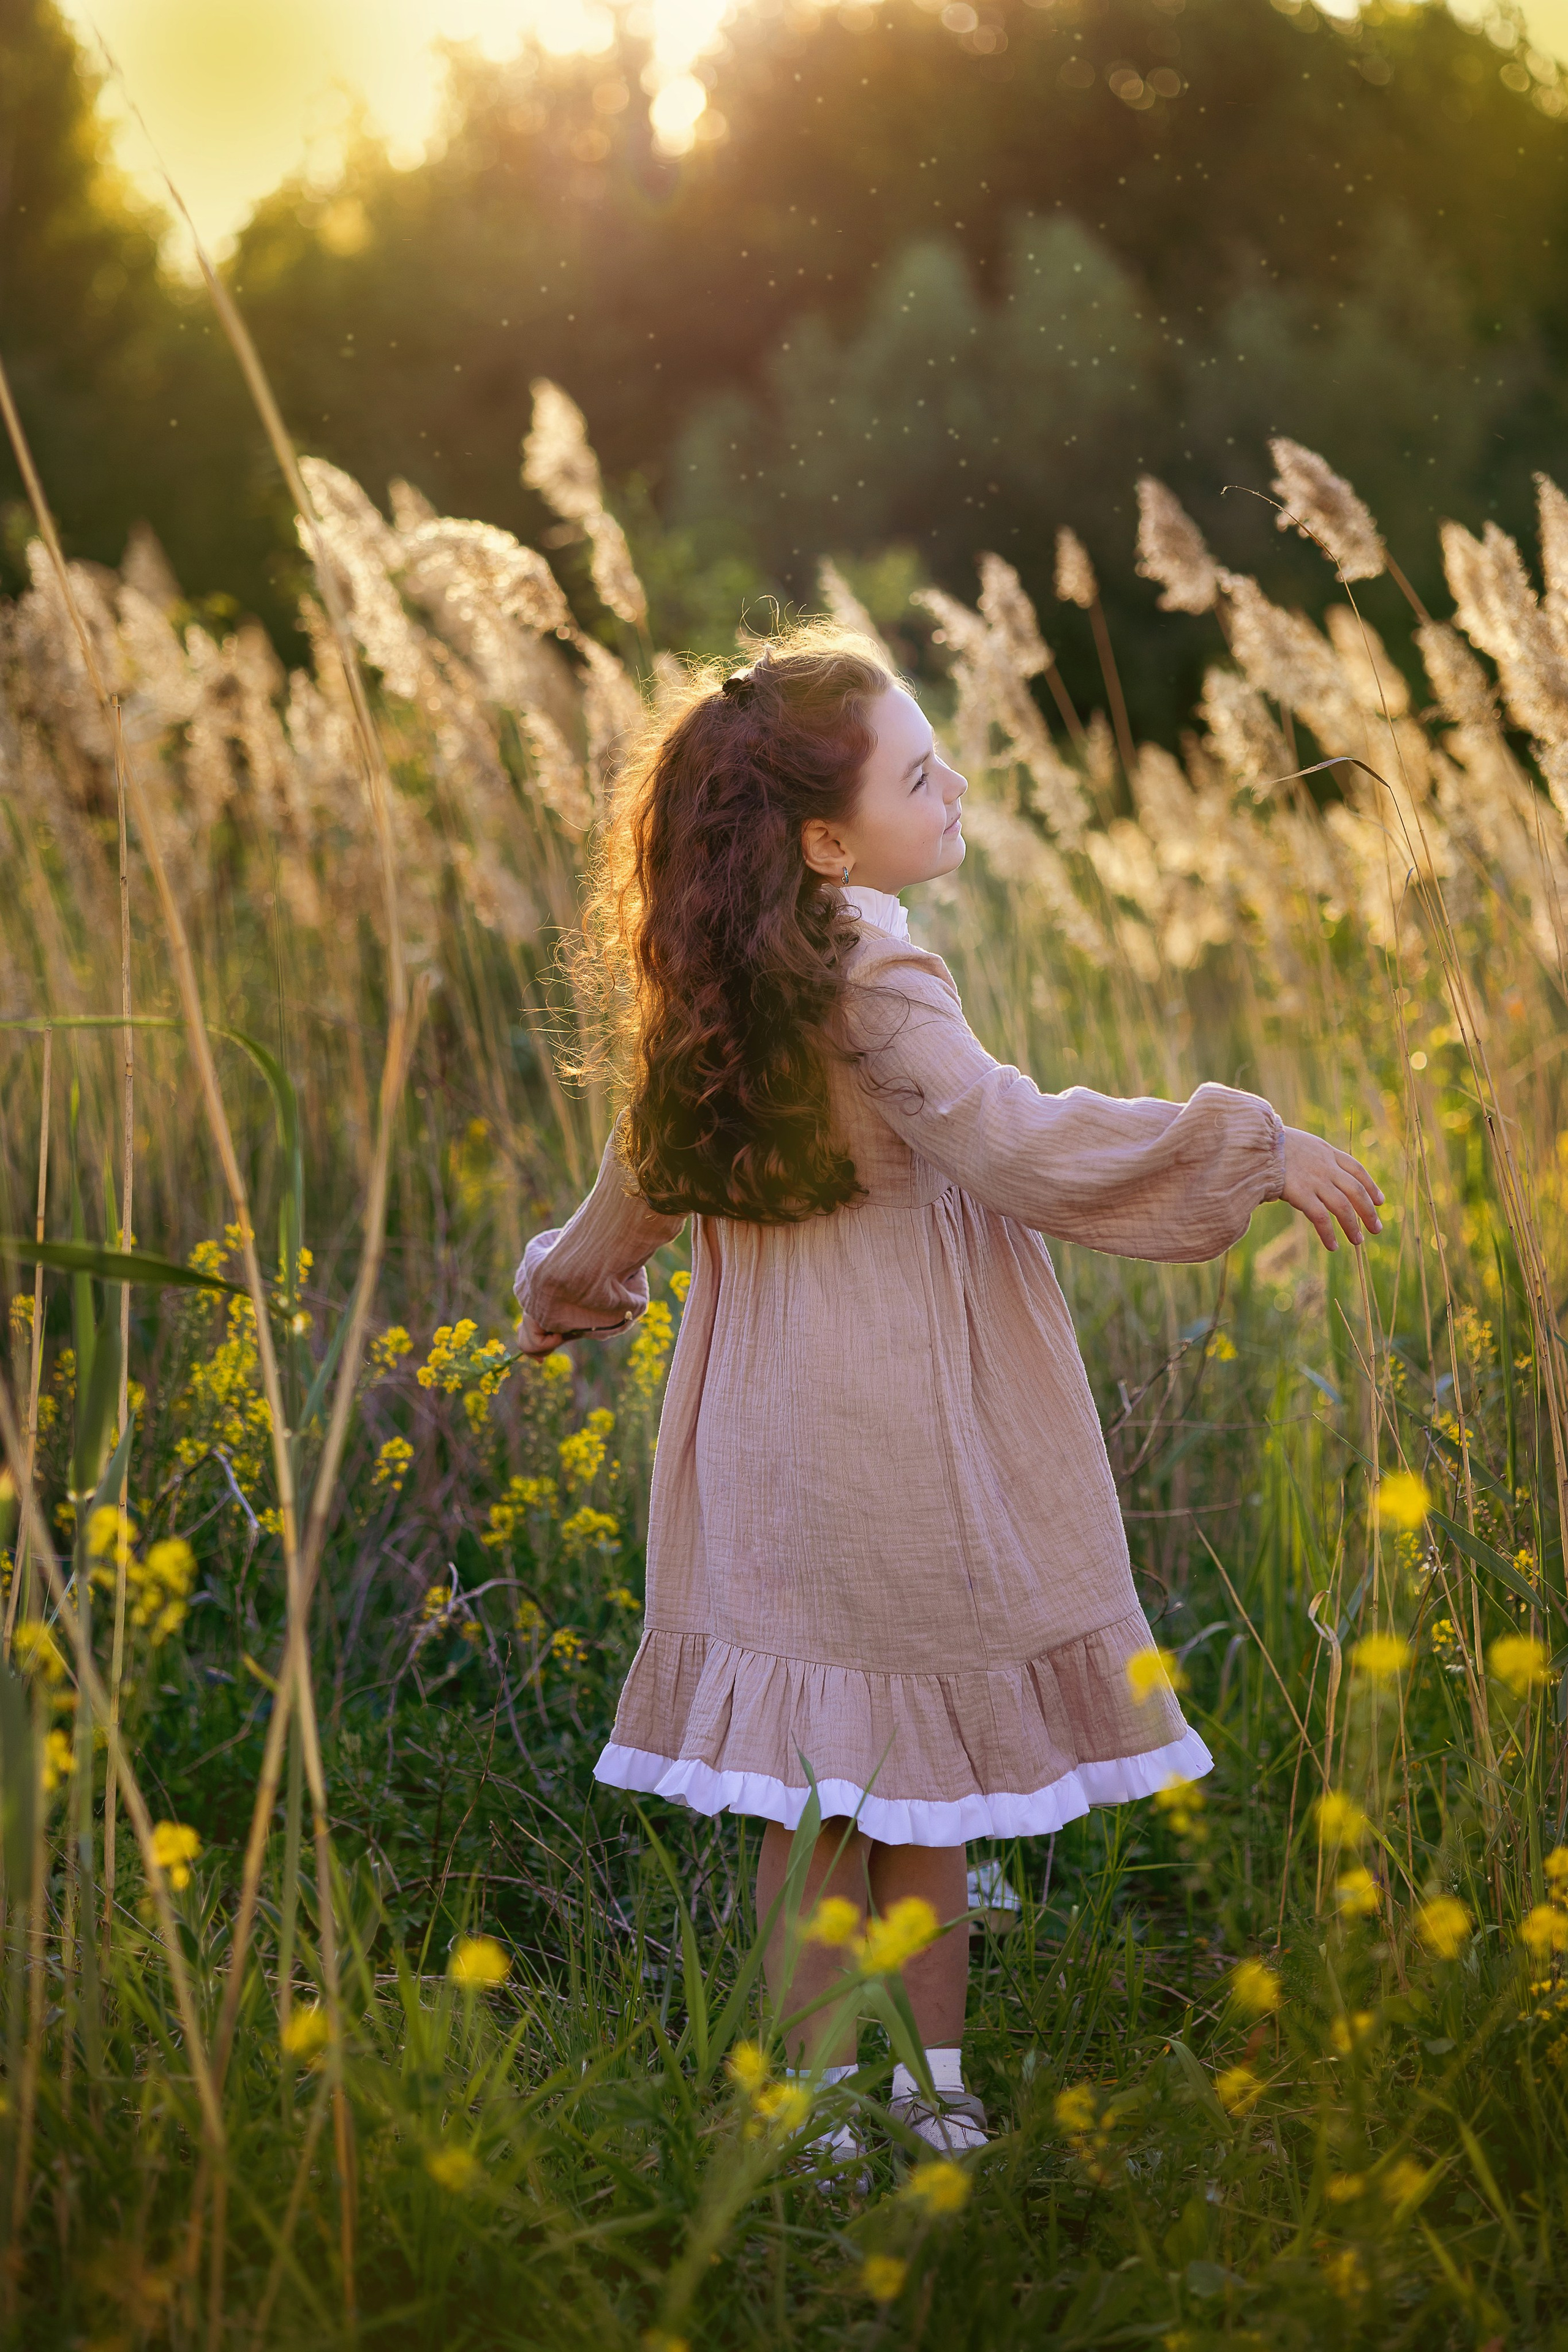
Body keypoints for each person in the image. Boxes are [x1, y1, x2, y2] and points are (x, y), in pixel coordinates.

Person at [514, 625, 1381, 2163]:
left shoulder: (714, 977)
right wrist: (1245, 1147)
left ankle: (822, 2102)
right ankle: (929, 2091)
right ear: (829, 842)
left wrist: (569, 1288)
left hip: (767, 1439)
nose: (955, 782)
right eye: (921, 773)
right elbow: (1014, 1142)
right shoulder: (876, 969)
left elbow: (636, 1181)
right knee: (919, 1804)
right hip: (899, 1427)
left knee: (812, 1805)